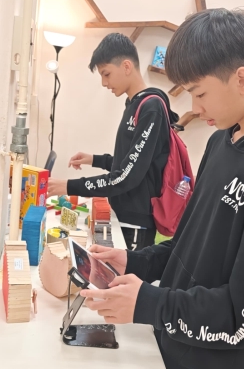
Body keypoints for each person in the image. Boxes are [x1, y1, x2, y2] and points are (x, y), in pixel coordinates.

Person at [77, 8, 244, 369]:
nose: (194, 107)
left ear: (242, 79)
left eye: (200, 92)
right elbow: (186, 244)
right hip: (166, 347)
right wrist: (136, 261)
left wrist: (149, 304)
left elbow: (241, 318)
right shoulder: (220, 142)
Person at [47, 32, 182, 251]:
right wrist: (95, 159)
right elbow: (129, 164)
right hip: (124, 216)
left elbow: (126, 176)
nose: (104, 83)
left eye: (106, 74)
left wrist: (69, 186)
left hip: (136, 223)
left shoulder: (151, 108)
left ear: (126, 66)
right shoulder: (134, 104)